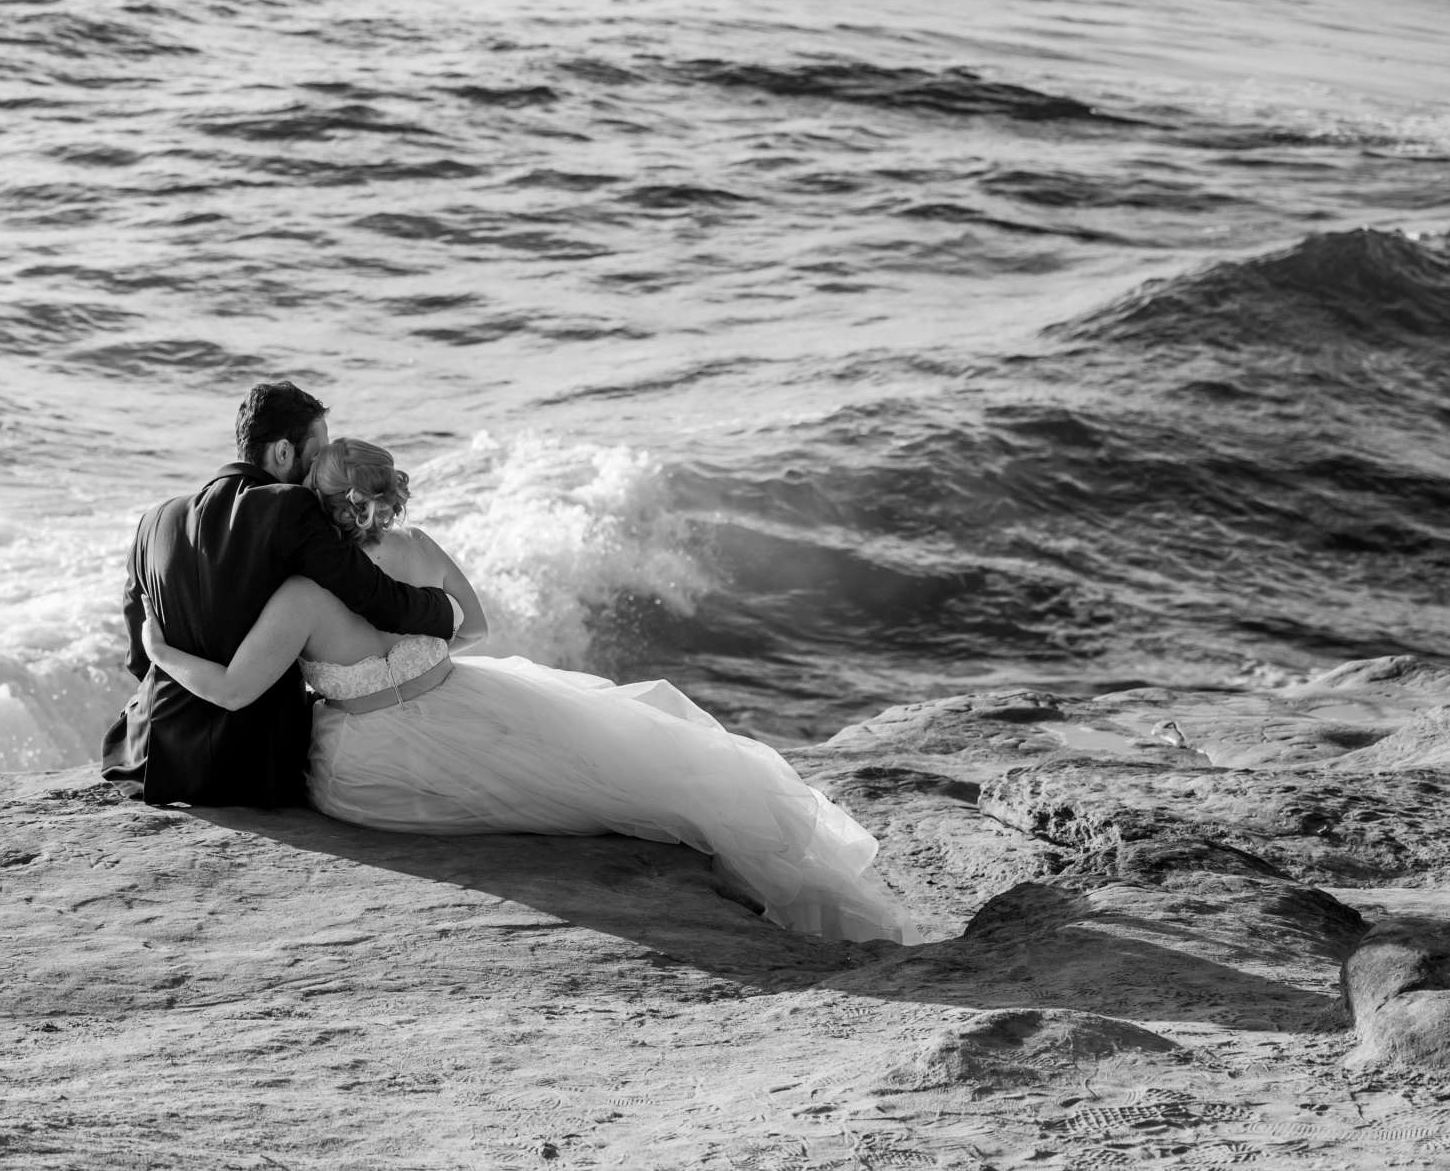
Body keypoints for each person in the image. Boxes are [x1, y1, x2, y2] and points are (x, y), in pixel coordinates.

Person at [140, 438, 907, 943]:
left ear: (314, 506)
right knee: (627, 772)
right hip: (466, 702)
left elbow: (237, 693)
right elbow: (472, 628)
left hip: (366, 770)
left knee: (580, 798)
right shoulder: (416, 548)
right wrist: (415, 654)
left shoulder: (299, 595)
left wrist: (159, 648)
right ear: (385, 499)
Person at [101, 382, 462, 808]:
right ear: (283, 453)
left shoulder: (153, 520)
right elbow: (376, 599)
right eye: (315, 457)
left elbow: (139, 656)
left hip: (153, 758)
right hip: (257, 766)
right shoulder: (292, 507)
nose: (319, 474)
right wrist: (447, 614)